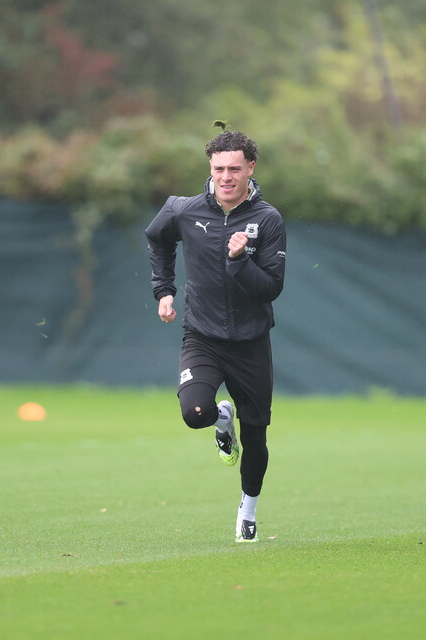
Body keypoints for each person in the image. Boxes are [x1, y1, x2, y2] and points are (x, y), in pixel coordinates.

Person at [145, 129, 286, 543]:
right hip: (202, 335)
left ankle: (248, 511)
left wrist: (239, 260)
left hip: (251, 342)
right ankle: (222, 420)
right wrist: (164, 289)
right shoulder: (184, 209)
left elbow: (271, 288)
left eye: (234, 169)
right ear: (210, 168)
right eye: (218, 169)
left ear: (251, 169)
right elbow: (156, 238)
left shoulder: (267, 220)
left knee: (256, 436)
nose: (226, 177)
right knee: (195, 413)